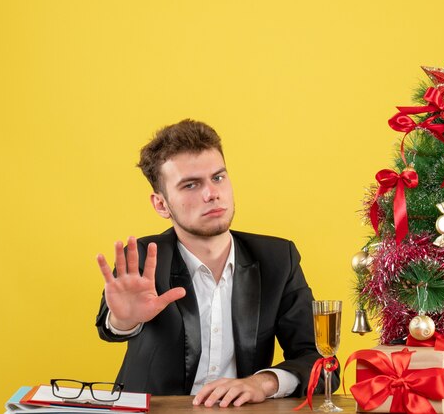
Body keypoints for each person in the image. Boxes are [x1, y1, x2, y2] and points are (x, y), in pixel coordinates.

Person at [95, 119, 338, 408]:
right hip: (153, 410)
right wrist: (124, 321)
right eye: (191, 185)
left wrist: (263, 382)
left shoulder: (277, 259)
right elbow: (109, 326)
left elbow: (321, 362)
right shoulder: (145, 256)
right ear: (161, 204)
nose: (211, 193)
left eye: (218, 178)